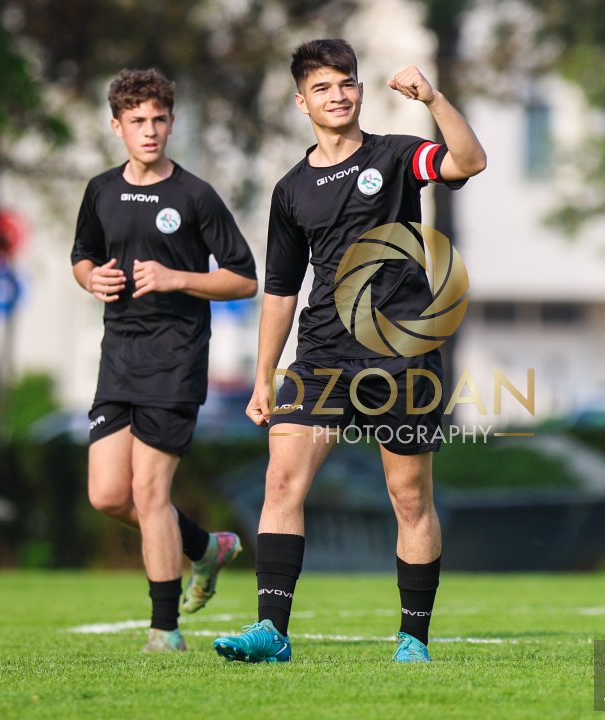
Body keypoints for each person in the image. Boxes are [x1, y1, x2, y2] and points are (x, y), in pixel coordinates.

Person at [212, 39, 486, 664]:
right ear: (301, 100)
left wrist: (434, 99)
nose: (338, 95)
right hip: (322, 354)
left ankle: (413, 637)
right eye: (324, 87)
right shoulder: (290, 189)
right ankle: (271, 632)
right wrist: (262, 376)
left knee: (409, 496)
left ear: (360, 90)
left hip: (400, 350)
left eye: (347, 83)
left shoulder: (395, 155)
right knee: (280, 480)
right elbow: (281, 290)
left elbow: (469, 162)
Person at [71, 68, 259, 651]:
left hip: (176, 361)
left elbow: (244, 278)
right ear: (116, 126)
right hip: (118, 357)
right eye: (136, 122)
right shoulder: (101, 190)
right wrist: (91, 279)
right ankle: (206, 548)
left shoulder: (195, 196)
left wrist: (179, 277)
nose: (149, 131)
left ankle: (165, 631)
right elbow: (82, 256)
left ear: (172, 123)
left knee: (151, 495)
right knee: (108, 495)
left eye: (158, 120)